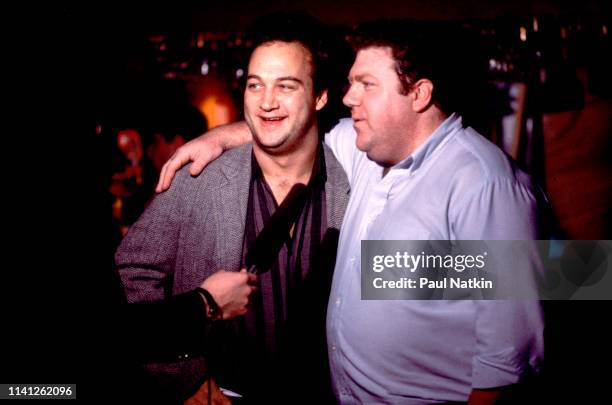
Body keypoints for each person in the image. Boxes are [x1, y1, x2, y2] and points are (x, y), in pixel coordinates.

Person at [158, 21, 545, 404]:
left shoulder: (484, 183)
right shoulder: (366, 151)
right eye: (350, 83)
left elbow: (508, 355)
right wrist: (217, 137)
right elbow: (292, 126)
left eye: (366, 85)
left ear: (419, 93)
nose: (349, 97)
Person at [116, 11, 349, 404]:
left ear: (320, 96)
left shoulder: (356, 178)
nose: (267, 102)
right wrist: (185, 380)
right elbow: (133, 266)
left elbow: (405, 283)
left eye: (286, 86)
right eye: (255, 86)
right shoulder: (200, 177)